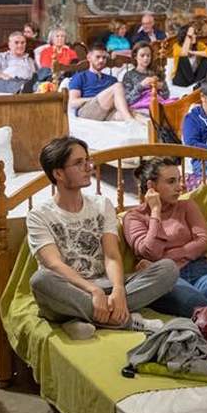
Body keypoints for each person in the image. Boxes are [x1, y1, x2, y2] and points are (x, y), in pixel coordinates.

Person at [27, 136, 178, 339]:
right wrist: (93, 291)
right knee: (40, 280)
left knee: (168, 269)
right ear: (59, 173)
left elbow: (112, 255)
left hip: (105, 286)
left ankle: (78, 320)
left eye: (87, 160)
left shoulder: (102, 204)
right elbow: (54, 264)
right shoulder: (39, 215)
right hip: (67, 290)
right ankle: (125, 321)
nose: (88, 167)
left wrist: (118, 290)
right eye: (78, 163)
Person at [122, 157, 207, 316]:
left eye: (179, 180)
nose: (180, 186)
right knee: (198, 302)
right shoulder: (134, 217)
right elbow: (150, 252)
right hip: (167, 281)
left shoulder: (186, 206)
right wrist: (155, 212)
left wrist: (166, 258)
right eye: (171, 181)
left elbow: (203, 242)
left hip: (199, 275)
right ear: (151, 186)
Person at [68, 44, 138, 122]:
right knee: (118, 86)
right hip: (87, 111)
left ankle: (145, 126)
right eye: (98, 57)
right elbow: (73, 102)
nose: (101, 60)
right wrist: (95, 99)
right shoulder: (80, 77)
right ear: (89, 57)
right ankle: (129, 120)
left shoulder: (112, 80)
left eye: (104, 58)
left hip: (107, 112)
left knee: (134, 114)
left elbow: (119, 103)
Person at [122, 41, 167, 108]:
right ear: (135, 57)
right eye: (142, 55)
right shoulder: (129, 75)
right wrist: (141, 85)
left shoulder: (155, 73)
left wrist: (161, 87)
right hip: (141, 106)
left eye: (148, 55)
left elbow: (166, 96)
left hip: (158, 104)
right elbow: (127, 100)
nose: (146, 58)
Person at [171, 24, 207, 88]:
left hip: (194, 78)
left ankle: (197, 82)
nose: (195, 36)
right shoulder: (176, 46)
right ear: (184, 36)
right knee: (183, 58)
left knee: (206, 58)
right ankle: (194, 83)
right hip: (180, 79)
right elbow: (183, 54)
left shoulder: (199, 45)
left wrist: (193, 52)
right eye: (192, 34)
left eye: (195, 34)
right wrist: (188, 36)